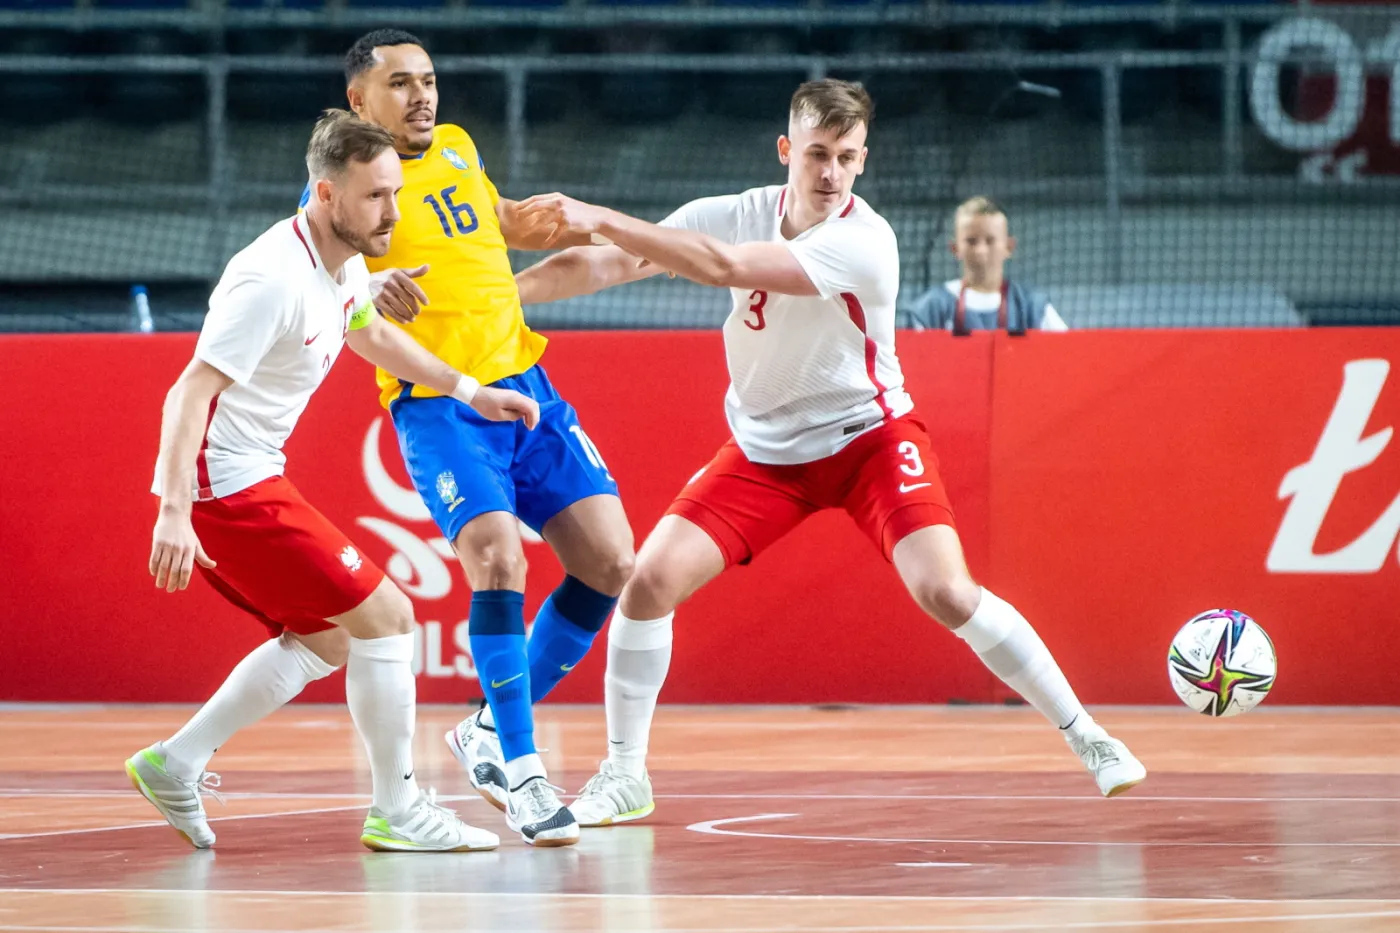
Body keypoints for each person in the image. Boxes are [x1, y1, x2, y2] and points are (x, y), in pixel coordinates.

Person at [513, 79, 1146, 827]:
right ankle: (624, 775)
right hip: (765, 451)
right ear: (787, 150)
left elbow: (722, 267)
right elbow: (605, 265)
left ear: (863, 160)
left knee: (946, 591)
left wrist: (603, 218)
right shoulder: (736, 211)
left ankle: (1088, 735)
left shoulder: (865, 240)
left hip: (868, 438)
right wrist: (499, 300)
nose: (831, 172)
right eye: (817, 154)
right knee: (647, 583)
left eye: (847, 157)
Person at [128, 109, 540, 854]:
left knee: (328, 639)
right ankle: (398, 810)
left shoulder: (344, 262)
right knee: (389, 617)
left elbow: (369, 332)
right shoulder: (269, 279)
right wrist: (173, 512)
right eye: (376, 196)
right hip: (224, 485)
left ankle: (175, 762)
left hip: (251, 474)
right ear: (325, 194)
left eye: (395, 192)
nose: (394, 212)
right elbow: (187, 394)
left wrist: (470, 391)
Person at [337, 29, 636, 847]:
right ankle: (526, 770)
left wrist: (547, 223)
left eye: (429, 80)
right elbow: (322, 274)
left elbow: (495, 223)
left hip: (527, 384)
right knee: (499, 557)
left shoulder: (460, 146)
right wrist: (365, 281)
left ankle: (483, 731)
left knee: (611, 560)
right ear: (360, 100)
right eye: (401, 84)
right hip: (441, 403)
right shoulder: (350, 182)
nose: (423, 96)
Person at [906, 196, 1067, 334]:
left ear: (1009, 247)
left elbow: (1070, 352)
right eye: (971, 241)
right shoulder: (930, 309)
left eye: (990, 241)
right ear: (954, 248)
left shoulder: (1032, 307)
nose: (981, 251)